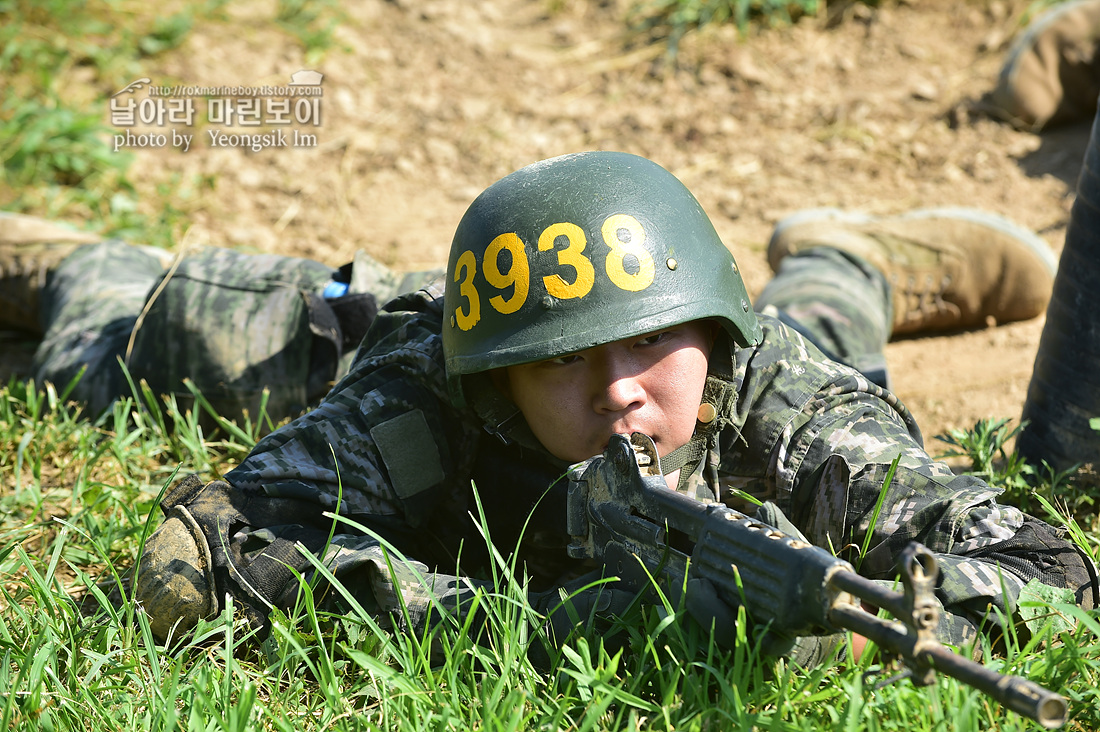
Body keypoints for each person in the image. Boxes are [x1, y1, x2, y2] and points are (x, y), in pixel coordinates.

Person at [13, 149, 1063, 662]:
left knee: (827, 349)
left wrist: (842, 638)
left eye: (652, 344)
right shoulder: (427, 388)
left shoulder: (777, 397)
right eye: (564, 363)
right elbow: (198, 558)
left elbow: (1045, 566)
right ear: (499, 382)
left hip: (746, 350)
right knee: (118, 338)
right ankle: (77, 261)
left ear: (710, 333)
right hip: (397, 315)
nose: (616, 387)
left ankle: (844, 264)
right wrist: (522, 628)